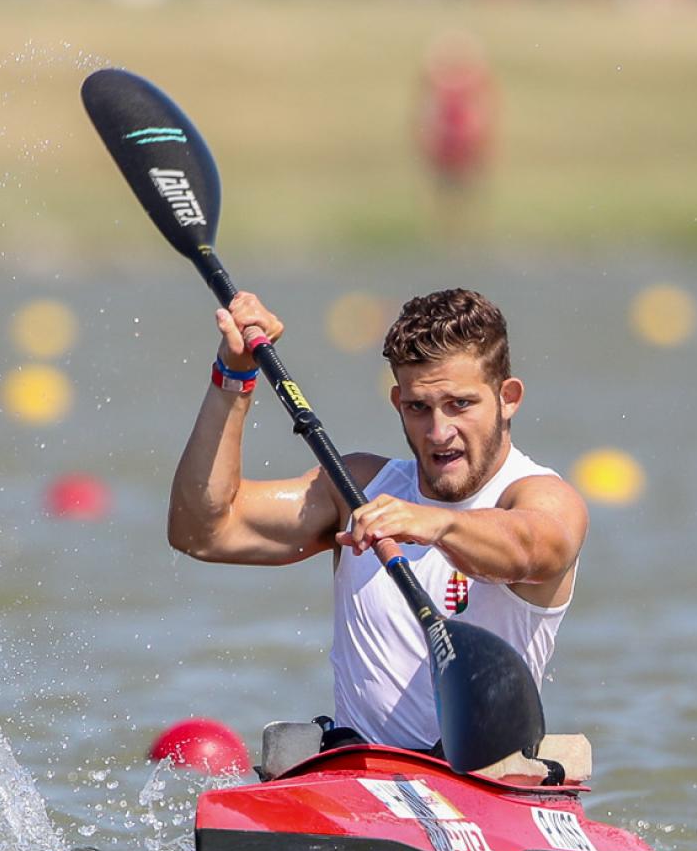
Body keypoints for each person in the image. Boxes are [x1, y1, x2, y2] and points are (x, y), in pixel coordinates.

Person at [168, 288, 588, 754]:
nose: (439, 431)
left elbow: (530, 549)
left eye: (460, 404)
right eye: (418, 408)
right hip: (359, 776)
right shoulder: (360, 489)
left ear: (508, 398)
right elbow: (202, 531)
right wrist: (234, 375)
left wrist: (437, 524)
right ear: (397, 403)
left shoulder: (543, 497)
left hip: (481, 781)